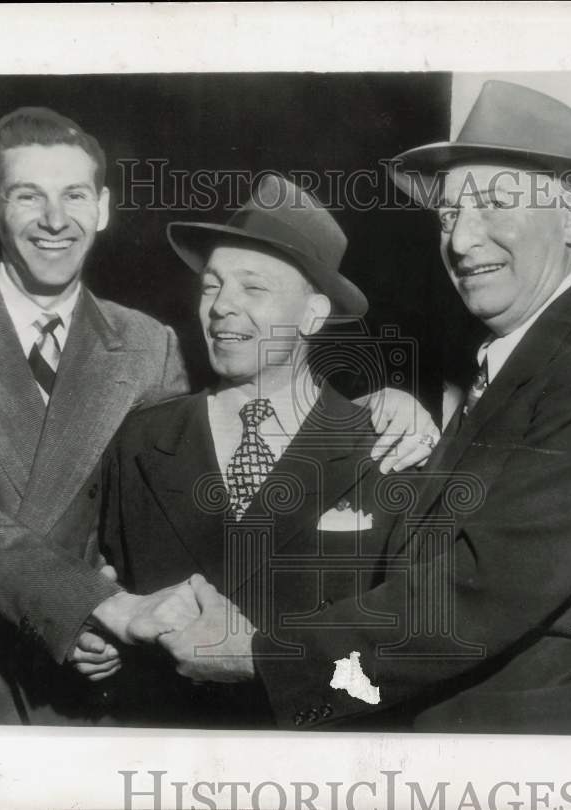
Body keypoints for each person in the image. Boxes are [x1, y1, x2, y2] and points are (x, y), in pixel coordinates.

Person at [154, 81, 571, 736]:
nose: (462, 241)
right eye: (446, 215)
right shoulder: (522, 360)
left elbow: (484, 590)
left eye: (493, 204)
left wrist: (261, 654)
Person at [0, 108, 433, 725]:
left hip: (107, 706)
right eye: (29, 195)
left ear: (103, 207)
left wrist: (377, 409)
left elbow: (145, 515)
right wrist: (99, 608)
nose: (55, 219)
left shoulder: (148, 345)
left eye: (75, 195)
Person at [93, 174, 409, 728]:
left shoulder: (386, 446)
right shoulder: (142, 439)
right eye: (212, 285)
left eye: (253, 287)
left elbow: (406, 652)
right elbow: (104, 578)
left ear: (313, 314)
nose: (221, 306)